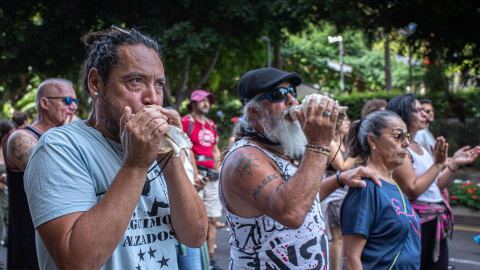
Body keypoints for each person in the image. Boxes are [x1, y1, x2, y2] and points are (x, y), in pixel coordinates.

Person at [24, 26, 207, 269]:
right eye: (136, 81)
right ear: (96, 83)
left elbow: (194, 236)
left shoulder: (159, 150)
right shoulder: (59, 148)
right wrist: (135, 165)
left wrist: (170, 155)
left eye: (159, 84)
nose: (152, 97)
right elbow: (76, 262)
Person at [219, 67, 380, 269]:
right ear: (254, 111)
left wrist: (339, 179)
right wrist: (319, 144)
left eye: (292, 92)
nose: (292, 102)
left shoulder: (277, 151)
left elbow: (302, 199)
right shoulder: (244, 159)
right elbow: (291, 213)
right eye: (278, 95)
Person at [387, 94, 480, 270]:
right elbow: (412, 189)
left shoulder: (420, 146)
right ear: (404, 113)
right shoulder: (400, 148)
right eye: (419, 110)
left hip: (435, 217)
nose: (425, 115)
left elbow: (435, 185)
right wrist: (438, 164)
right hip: (416, 221)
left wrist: (453, 164)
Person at [3, 78, 78, 270]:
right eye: (67, 101)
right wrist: (68, 136)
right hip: (31, 248)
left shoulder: (65, 136)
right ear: (45, 103)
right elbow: (56, 176)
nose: (74, 107)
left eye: (76, 102)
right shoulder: (21, 138)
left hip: (65, 243)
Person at [341, 110, 421, 269]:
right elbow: (350, 257)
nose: (406, 143)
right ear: (372, 140)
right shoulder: (365, 187)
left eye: (407, 137)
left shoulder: (393, 185)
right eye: (398, 136)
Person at [182, 90, 223, 270]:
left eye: (208, 100)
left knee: (213, 219)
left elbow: (215, 149)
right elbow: (184, 148)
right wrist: (195, 173)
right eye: (202, 101)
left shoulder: (211, 124)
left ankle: (211, 261)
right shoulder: (186, 122)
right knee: (196, 220)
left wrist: (220, 168)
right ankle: (197, 260)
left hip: (212, 176)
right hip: (195, 177)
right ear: (193, 103)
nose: (206, 103)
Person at [321, 113, 356, 270]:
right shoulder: (332, 144)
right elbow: (342, 167)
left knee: (342, 237)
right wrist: (357, 153)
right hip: (335, 196)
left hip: (345, 195)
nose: (348, 123)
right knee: (337, 239)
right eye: (344, 120)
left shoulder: (343, 143)